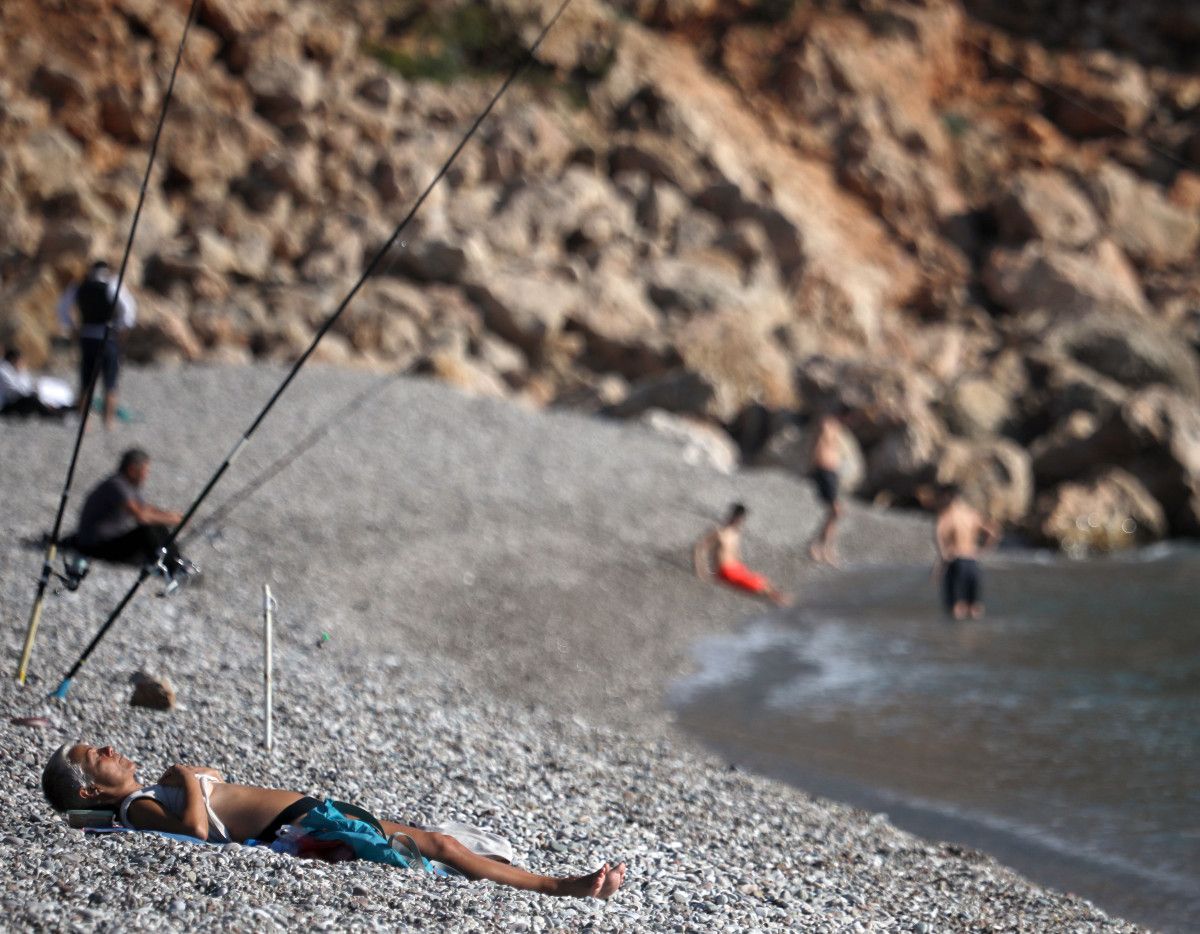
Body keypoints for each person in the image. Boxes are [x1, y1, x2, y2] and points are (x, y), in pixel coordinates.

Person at [41, 743, 627, 899]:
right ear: (92, 787)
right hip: (299, 827)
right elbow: (194, 834)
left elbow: (216, 789)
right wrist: (190, 779)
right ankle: (562, 886)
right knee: (442, 847)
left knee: (441, 845)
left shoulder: (146, 791)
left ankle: (531, 878)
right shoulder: (131, 809)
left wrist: (195, 775)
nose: (111, 749)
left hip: (312, 811)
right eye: (98, 756)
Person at [73, 448, 193, 582]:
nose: (146, 475)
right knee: (147, 529)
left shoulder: (128, 485)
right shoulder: (116, 485)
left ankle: (175, 564)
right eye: (145, 471)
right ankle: (172, 569)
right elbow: (141, 516)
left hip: (109, 541)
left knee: (157, 526)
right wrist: (173, 520)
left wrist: (172, 515)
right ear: (132, 469)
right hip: (96, 545)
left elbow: (145, 508)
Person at [57, 259, 137, 429]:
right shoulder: (112, 285)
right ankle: (108, 421)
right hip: (107, 337)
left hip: (87, 336)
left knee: (86, 381)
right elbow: (128, 311)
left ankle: (85, 420)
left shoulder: (79, 286)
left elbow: (62, 309)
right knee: (110, 380)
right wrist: (120, 328)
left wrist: (74, 328)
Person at [694, 503, 791, 607]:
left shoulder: (736, 533)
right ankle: (784, 604)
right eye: (738, 518)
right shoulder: (720, 532)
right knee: (760, 587)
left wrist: (742, 566)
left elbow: (735, 553)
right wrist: (702, 572)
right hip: (726, 571)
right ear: (732, 516)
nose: (740, 521)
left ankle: (784, 600)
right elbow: (700, 548)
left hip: (737, 568)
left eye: (741, 519)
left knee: (766, 582)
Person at [933, 485, 1001, 620]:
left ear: (948, 497)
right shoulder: (972, 515)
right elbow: (994, 532)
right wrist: (983, 550)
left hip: (956, 562)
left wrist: (942, 559)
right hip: (972, 561)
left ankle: (955, 640)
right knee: (975, 607)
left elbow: (939, 536)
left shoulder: (947, 516)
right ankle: (974, 638)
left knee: (957, 608)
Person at [806, 410, 844, 566]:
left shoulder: (837, 427)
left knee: (834, 512)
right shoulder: (827, 424)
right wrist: (813, 469)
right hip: (824, 470)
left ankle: (825, 547)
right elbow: (817, 446)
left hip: (831, 472)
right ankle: (818, 546)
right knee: (835, 511)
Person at [0, 347, 70, 419]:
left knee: (37, 396)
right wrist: (30, 391)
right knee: (32, 399)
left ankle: (56, 409)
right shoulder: (4, 370)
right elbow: (14, 390)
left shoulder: (15, 370)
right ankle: (50, 413)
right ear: (13, 359)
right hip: (6, 405)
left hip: (16, 399)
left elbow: (26, 384)